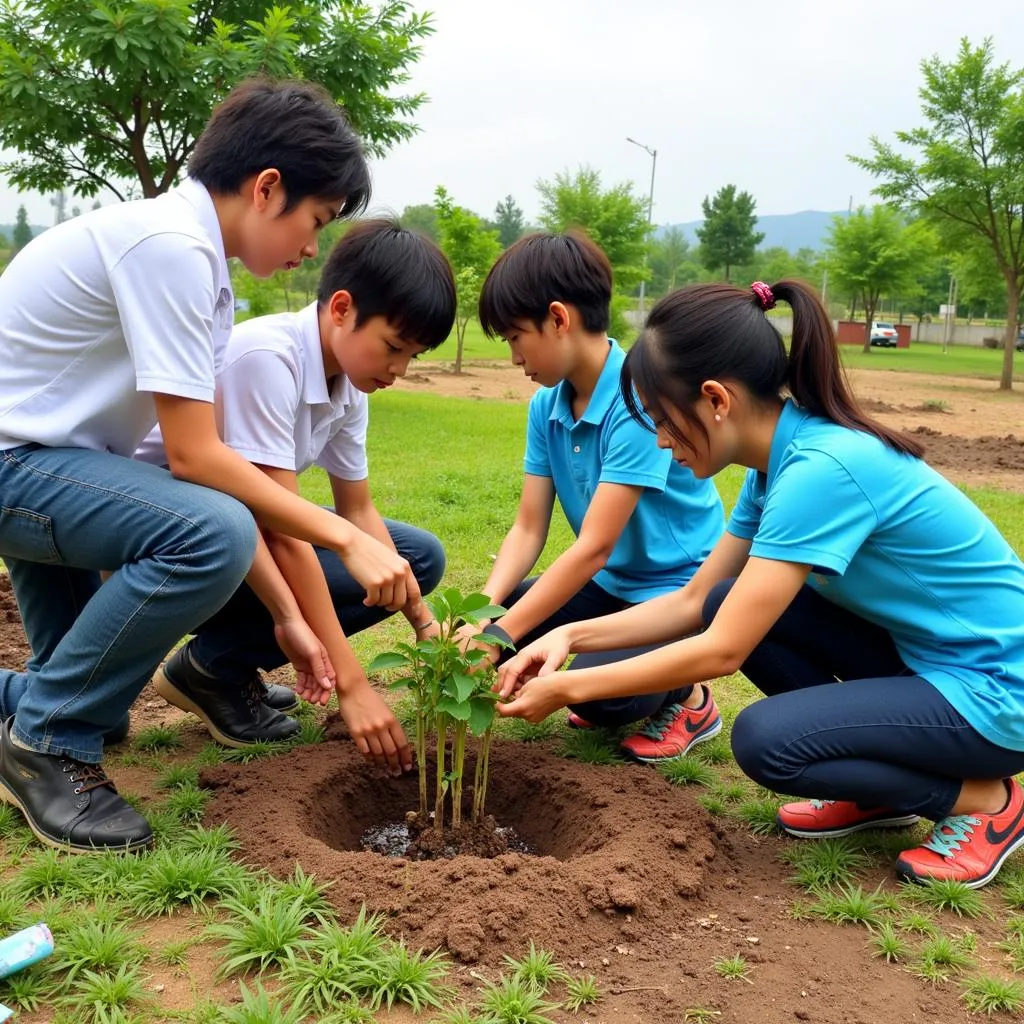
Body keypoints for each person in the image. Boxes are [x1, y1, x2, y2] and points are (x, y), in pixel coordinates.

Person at [0, 78, 419, 854]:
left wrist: (301, 610)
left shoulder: (195, 259)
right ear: (267, 189)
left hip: (59, 473)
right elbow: (195, 457)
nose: (310, 249)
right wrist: (348, 539)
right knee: (215, 530)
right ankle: (44, 747)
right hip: (21, 470)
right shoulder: (171, 250)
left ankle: (42, 714)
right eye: (315, 221)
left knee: (101, 703)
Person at [496, 278, 1024, 888]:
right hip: (931, 664)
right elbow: (696, 601)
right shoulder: (774, 466)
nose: (663, 444)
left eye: (665, 421)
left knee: (768, 742)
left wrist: (566, 690)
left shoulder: (821, 470)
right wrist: (566, 639)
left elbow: (723, 651)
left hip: (997, 690)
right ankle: (882, 796)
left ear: (717, 399)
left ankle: (986, 801)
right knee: (725, 598)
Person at [154, 220, 452, 769]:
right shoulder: (268, 360)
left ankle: (228, 661)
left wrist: (424, 620)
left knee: (415, 559)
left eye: (413, 355)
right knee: (348, 563)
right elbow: (281, 531)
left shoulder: (348, 382)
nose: (399, 370)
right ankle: (211, 667)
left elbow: (357, 509)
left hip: (245, 531)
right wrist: (353, 685)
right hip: (176, 545)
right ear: (341, 308)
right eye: (393, 347)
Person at [470, 232, 725, 761]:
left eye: (517, 337)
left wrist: (498, 636)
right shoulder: (546, 406)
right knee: (501, 635)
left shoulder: (638, 399)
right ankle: (621, 677)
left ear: (559, 319)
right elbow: (528, 527)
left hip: (677, 590)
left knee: (603, 696)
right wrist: (484, 616)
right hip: (610, 586)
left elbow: (593, 547)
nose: (514, 356)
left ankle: (691, 698)